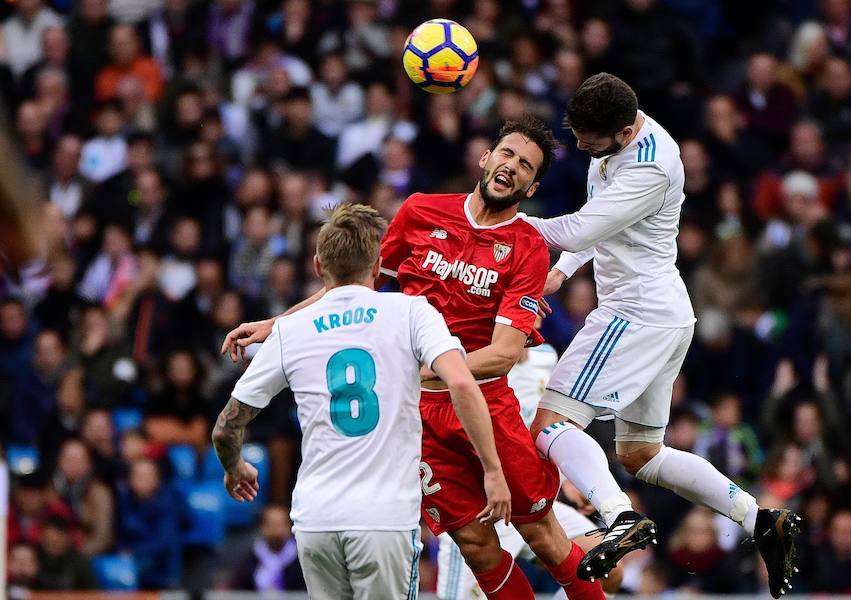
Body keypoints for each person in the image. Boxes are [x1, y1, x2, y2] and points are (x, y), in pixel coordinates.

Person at [222, 117, 605, 600]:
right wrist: (277, 323)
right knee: (476, 546)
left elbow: (505, 354)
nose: (512, 166)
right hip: (418, 419)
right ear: (486, 158)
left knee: (542, 535)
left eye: (526, 165)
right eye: (507, 153)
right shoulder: (421, 210)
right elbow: (350, 283)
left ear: (531, 187)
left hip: (486, 406)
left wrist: (427, 367)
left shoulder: (526, 247)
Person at [524, 72, 800, 597]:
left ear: (625, 132)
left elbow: (579, 227)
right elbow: (599, 225)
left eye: (589, 141)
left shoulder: (651, 163)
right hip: (663, 315)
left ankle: (618, 516)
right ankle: (759, 519)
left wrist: (491, 220)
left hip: (633, 315)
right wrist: (561, 271)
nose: (580, 148)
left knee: (549, 424)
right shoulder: (613, 138)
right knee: (641, 454)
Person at [211, 203, 511, 600]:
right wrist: (492, 469)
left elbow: (226, 427)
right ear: (378, 265)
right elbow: (460, 382)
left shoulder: (290, 330)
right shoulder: (411, 312)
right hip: (383, 520)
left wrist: (234, 467)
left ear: (318, 266)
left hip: (316, 521)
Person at [437, 336, 625, 599]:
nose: (538, 316)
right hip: (484, 507)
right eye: (530, 312)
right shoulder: (471, 361)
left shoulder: (546, 356)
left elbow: (552, 425)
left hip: (532, 502)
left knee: (607, 568)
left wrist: (568, 479)